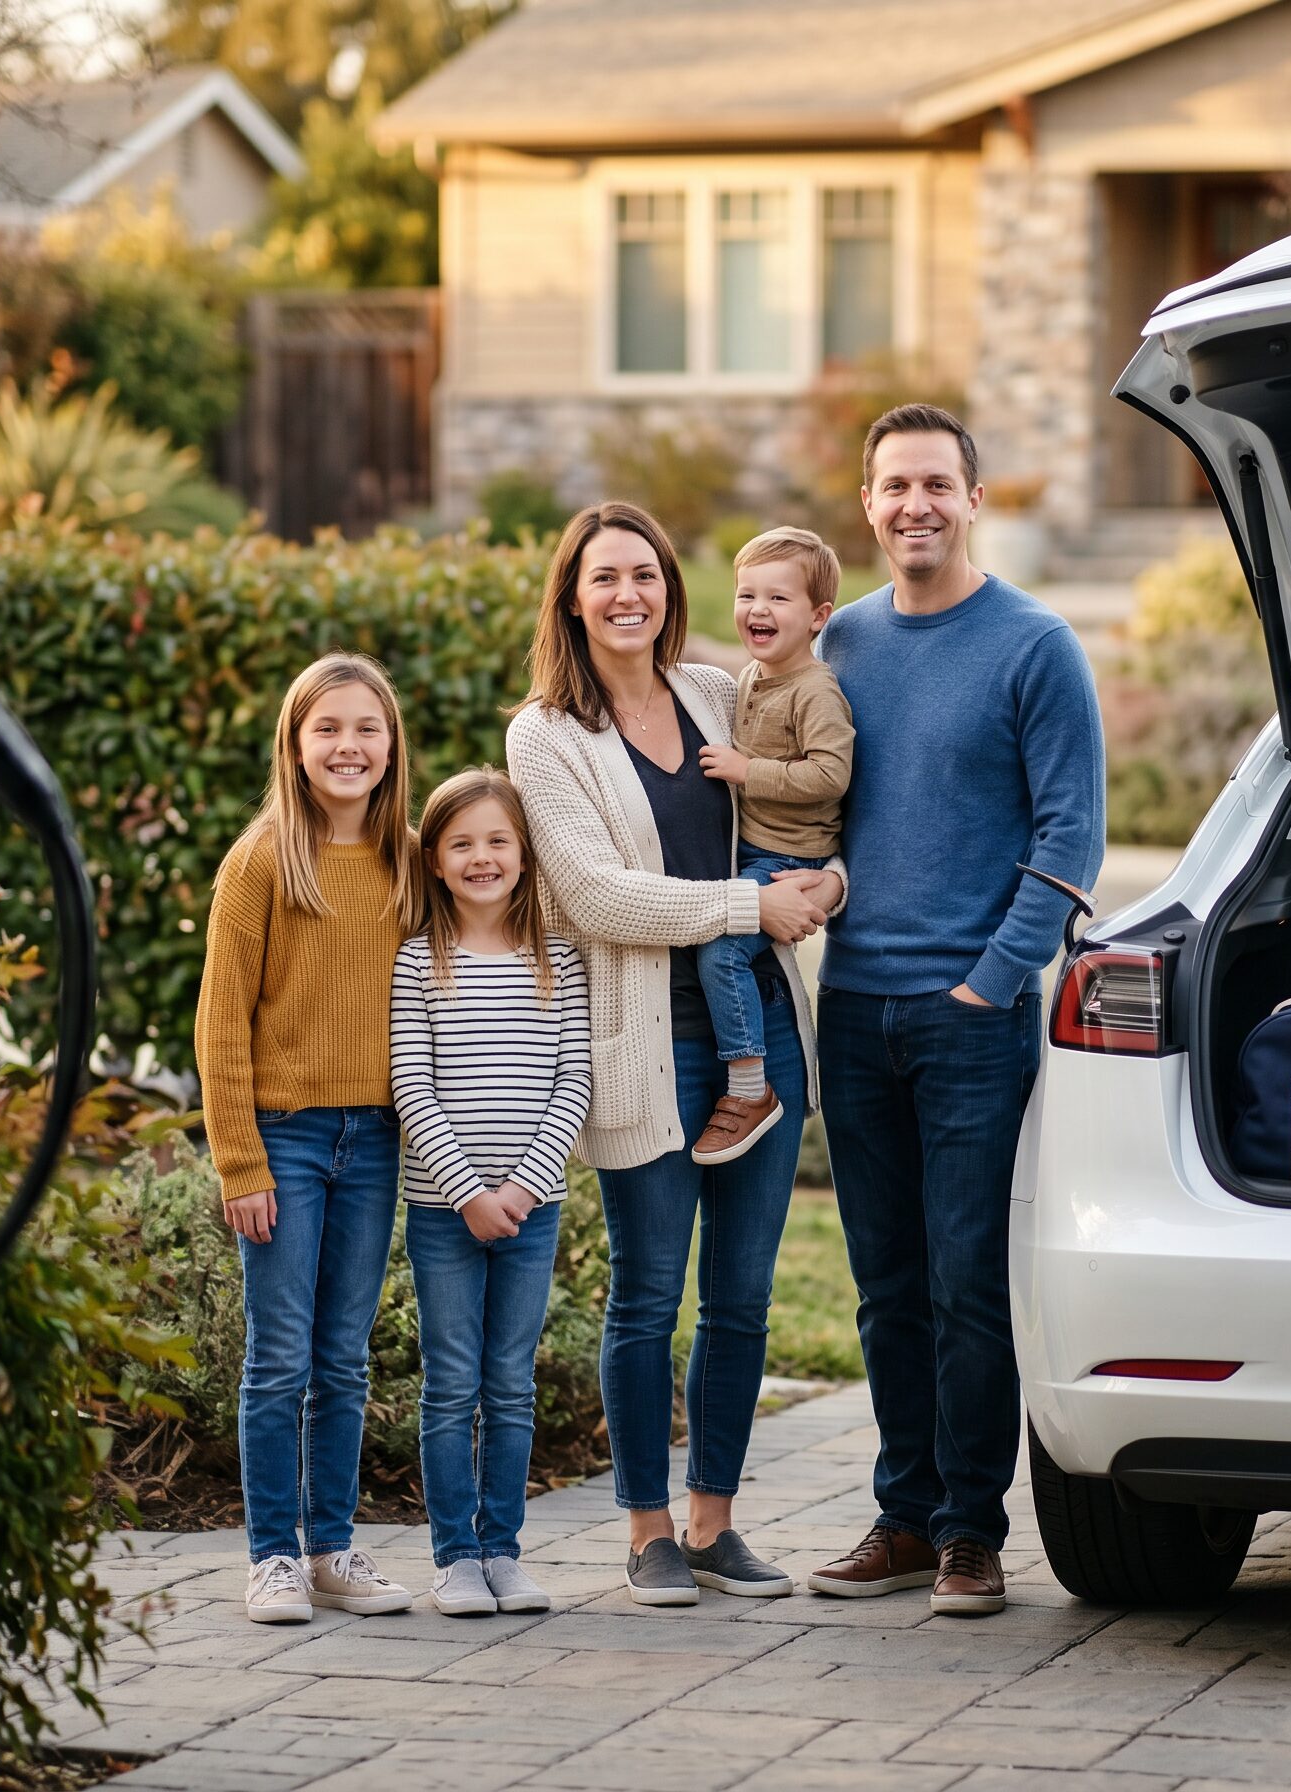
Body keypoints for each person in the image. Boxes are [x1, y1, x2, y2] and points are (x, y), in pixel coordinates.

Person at [504, 501, 843, 1606]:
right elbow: (599, 896)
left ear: (668, 587)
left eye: (644, 575)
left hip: (764, 1048)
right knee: (648, 1298)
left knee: (743, 1300)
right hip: (646, 1050)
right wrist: (750, 904)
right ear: (571, 595)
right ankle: (646, 1525)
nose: (627, 596)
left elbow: (817, 809)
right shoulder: (544, 734)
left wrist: (830, 885)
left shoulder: (715, 690)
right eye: (604, 578)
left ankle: (714, 1521)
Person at [807, 405, 1104, 1616]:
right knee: (884, 1283)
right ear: (867, 505)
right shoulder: (839, 647)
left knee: (968, 1281)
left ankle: (973, 1535)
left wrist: (993, 975)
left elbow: (1071, 835)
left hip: (974, 1019)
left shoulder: (1036, 645)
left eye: (937, 482)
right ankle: (905, 1510)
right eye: (893, 486)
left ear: (974, 499)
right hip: (854, 1007)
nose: (914, 504)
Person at [194, 651, 425, 1625]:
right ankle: (271, 1557)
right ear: (295, 745)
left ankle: (331, 1545)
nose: (348, 745)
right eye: (327, 728)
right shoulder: (261, 861)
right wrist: (240, 1158)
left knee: (343, 1357)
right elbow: (220, 1023)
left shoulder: (411, 861)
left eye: (366, 728)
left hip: (372, 1140)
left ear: (390, 746)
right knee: (279, 1356)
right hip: (284, 1141)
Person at [390, 767, 591, 1618]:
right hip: (442, 1211)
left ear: (524, 853)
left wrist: (524, 1187)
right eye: (461, 844)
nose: (482, 858)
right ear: (434, 860)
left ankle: (504, 1549)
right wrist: (470, 1191)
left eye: (497, 842)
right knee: (451, 1382)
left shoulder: (560, 961)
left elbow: (573, 1080)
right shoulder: (416, 960)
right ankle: (455, 1558)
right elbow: (412, 1083)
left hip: (532, 1210)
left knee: (510, 1382)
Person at [689, 526, 854, 1166]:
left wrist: (745, 770)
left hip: (791, 862)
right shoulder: (755, 674)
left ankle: (749, 1088)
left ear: (818, 617)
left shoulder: (815, 690)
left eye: (778, 599)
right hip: (755, 855)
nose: (758, 610)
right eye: (746, 594)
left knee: (723, 950)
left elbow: (830, 774)